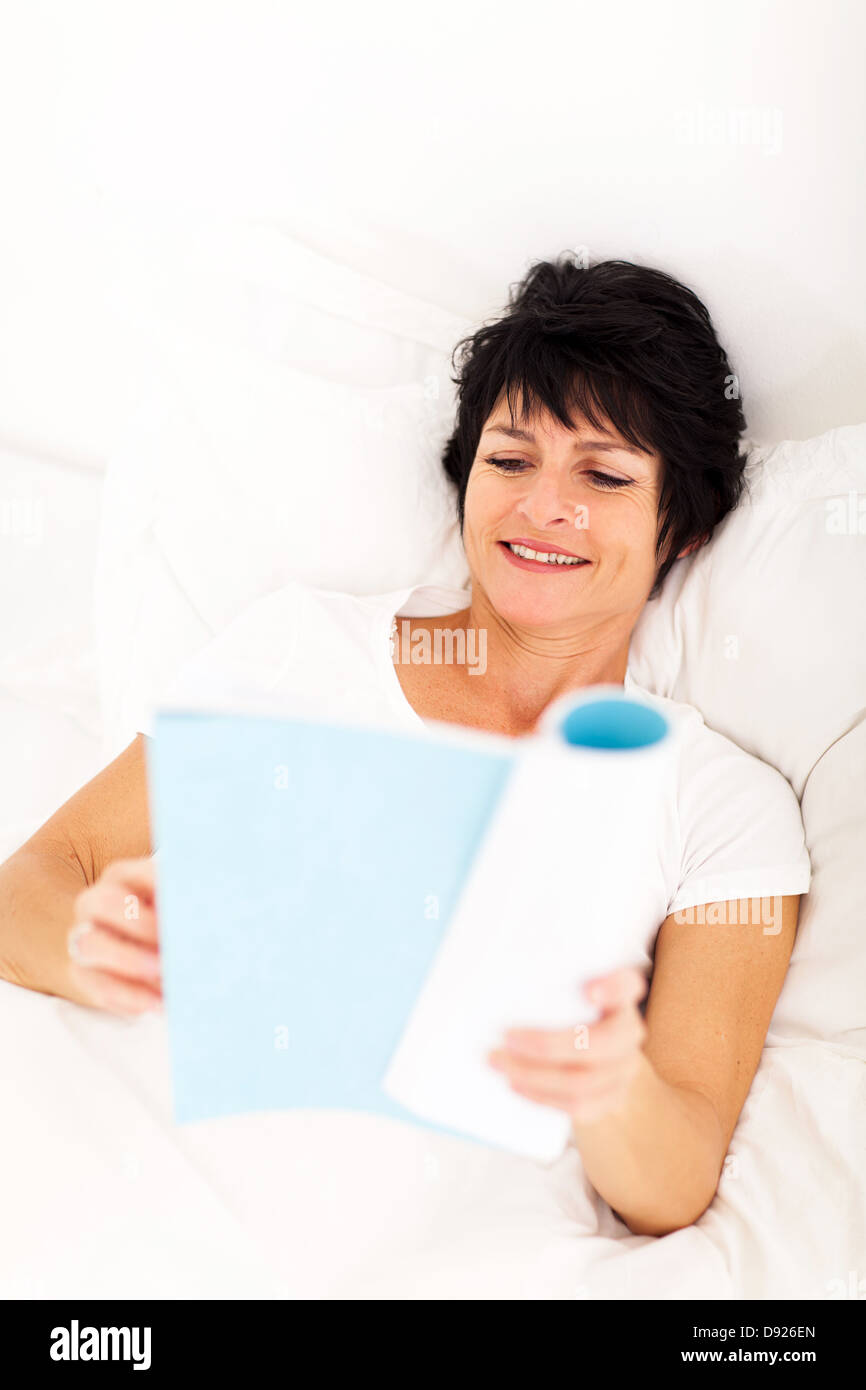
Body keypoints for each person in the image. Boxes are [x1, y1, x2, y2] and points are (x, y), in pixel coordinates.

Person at [0, 256, 810, 1237]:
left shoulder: (719, 803)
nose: (541, 505)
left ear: (677, 527)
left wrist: (603, 1080)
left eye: (600, 474)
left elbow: (671, 1177)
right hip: (139, 1174)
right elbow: (29, 890)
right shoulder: (303, 649)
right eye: (508, 460)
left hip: (407, 1238)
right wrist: (127, 958)